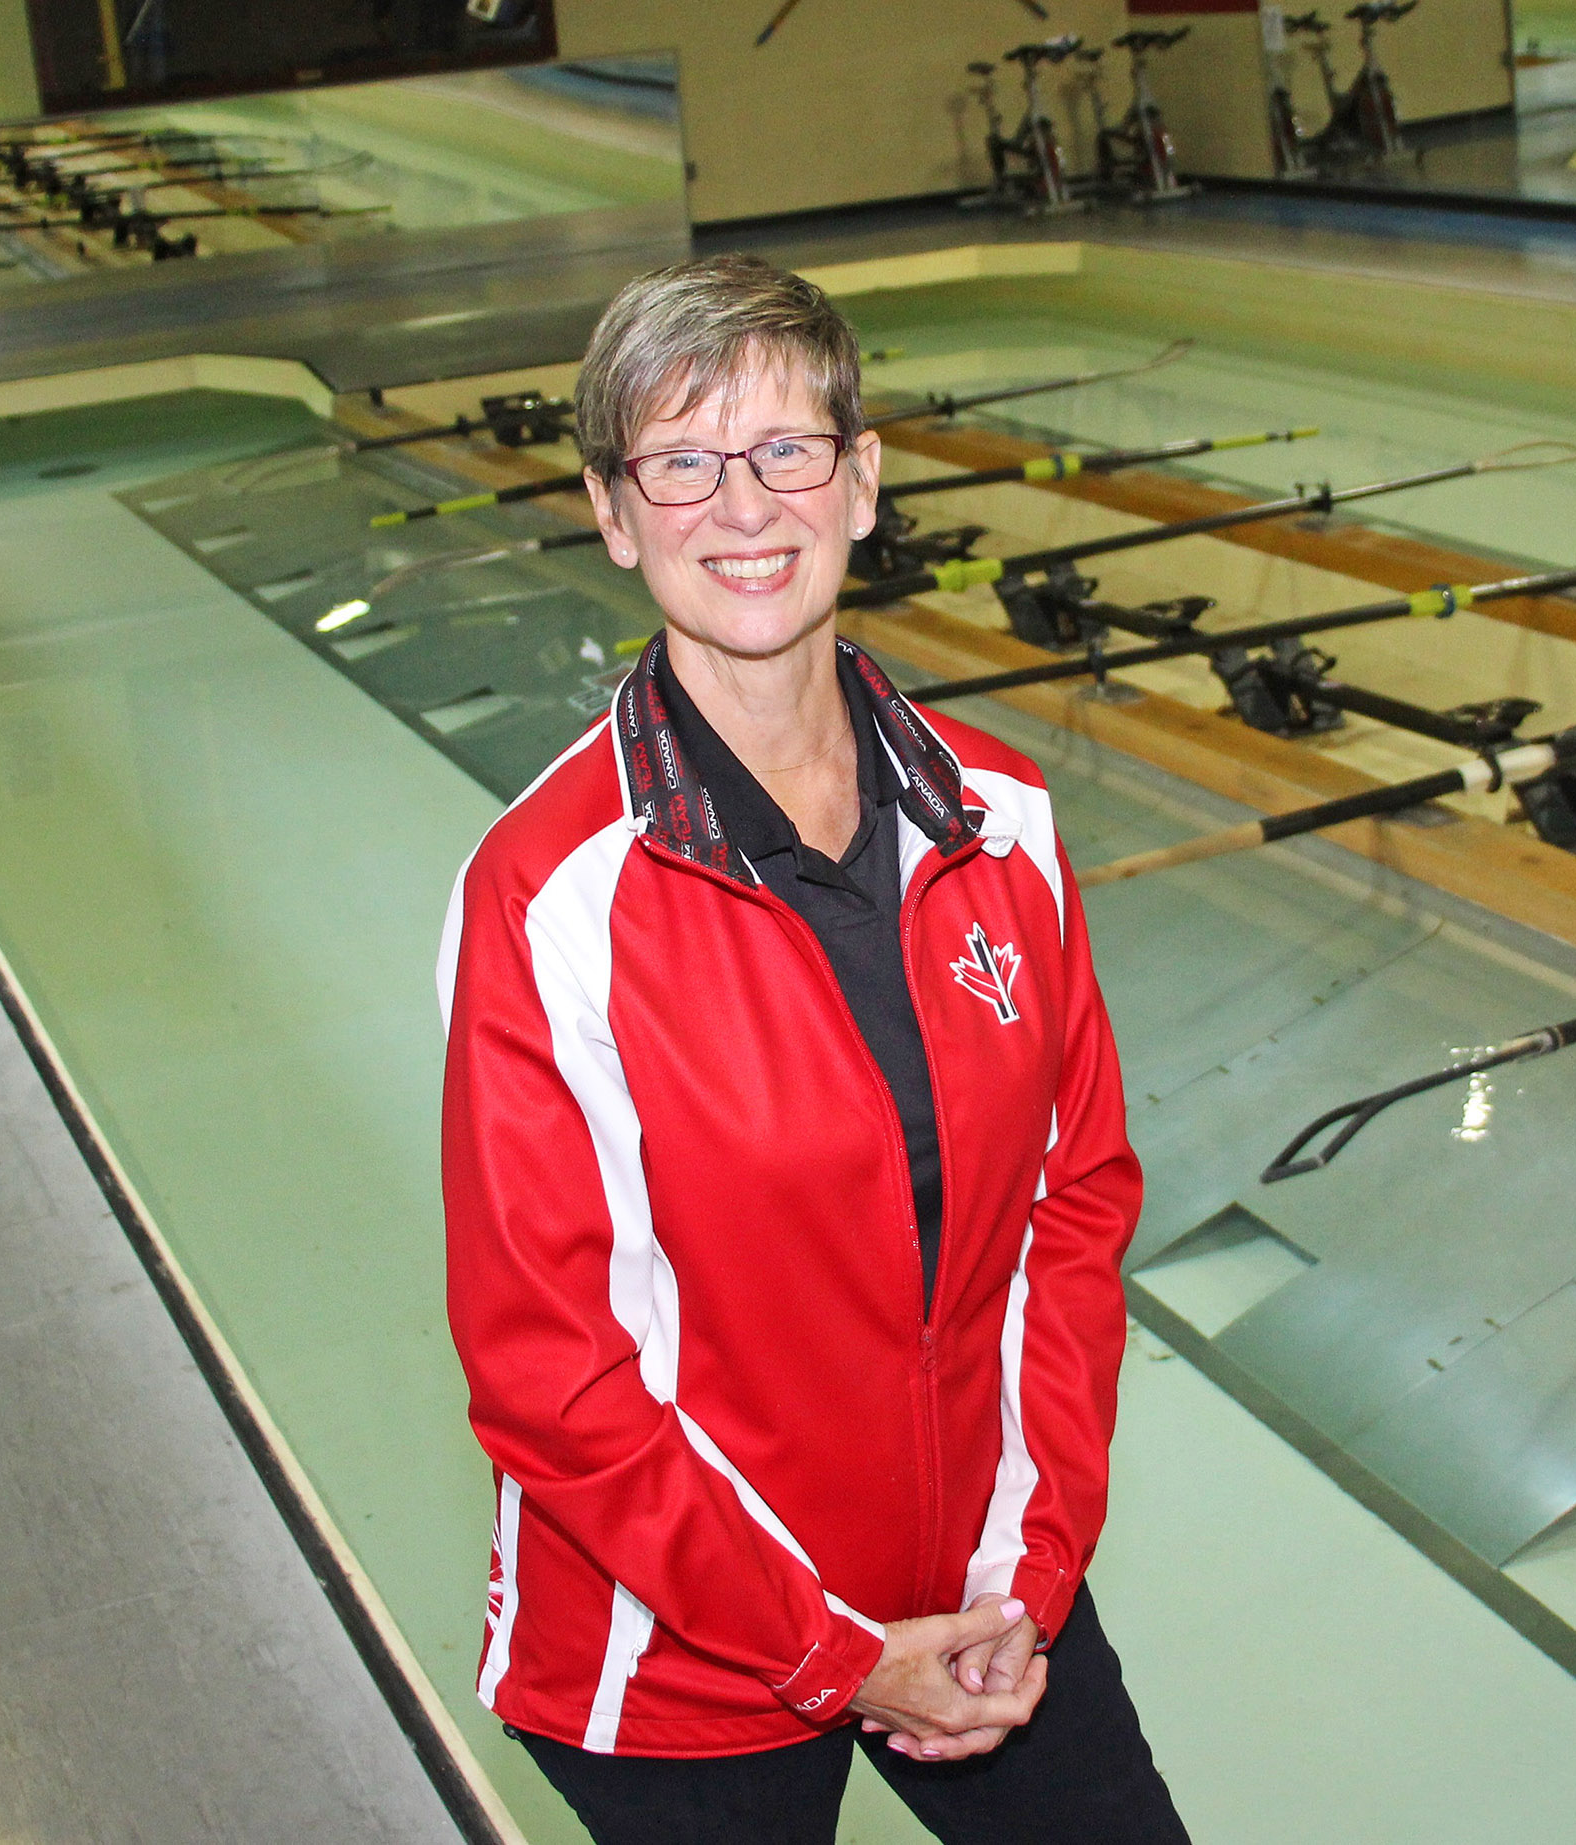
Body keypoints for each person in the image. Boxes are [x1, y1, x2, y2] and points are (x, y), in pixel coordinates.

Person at [438, 252, 1189, 1845]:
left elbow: (1078, 1206)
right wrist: (831, 1653)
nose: (743, 505)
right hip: (688, 1649)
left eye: (788, 449)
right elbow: (549, 1371)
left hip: (979, 1587)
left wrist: (1025, 1570)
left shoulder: (1006, 822)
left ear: (862, 482)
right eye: (682, 463)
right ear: (615, 512)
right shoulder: (549, 896)